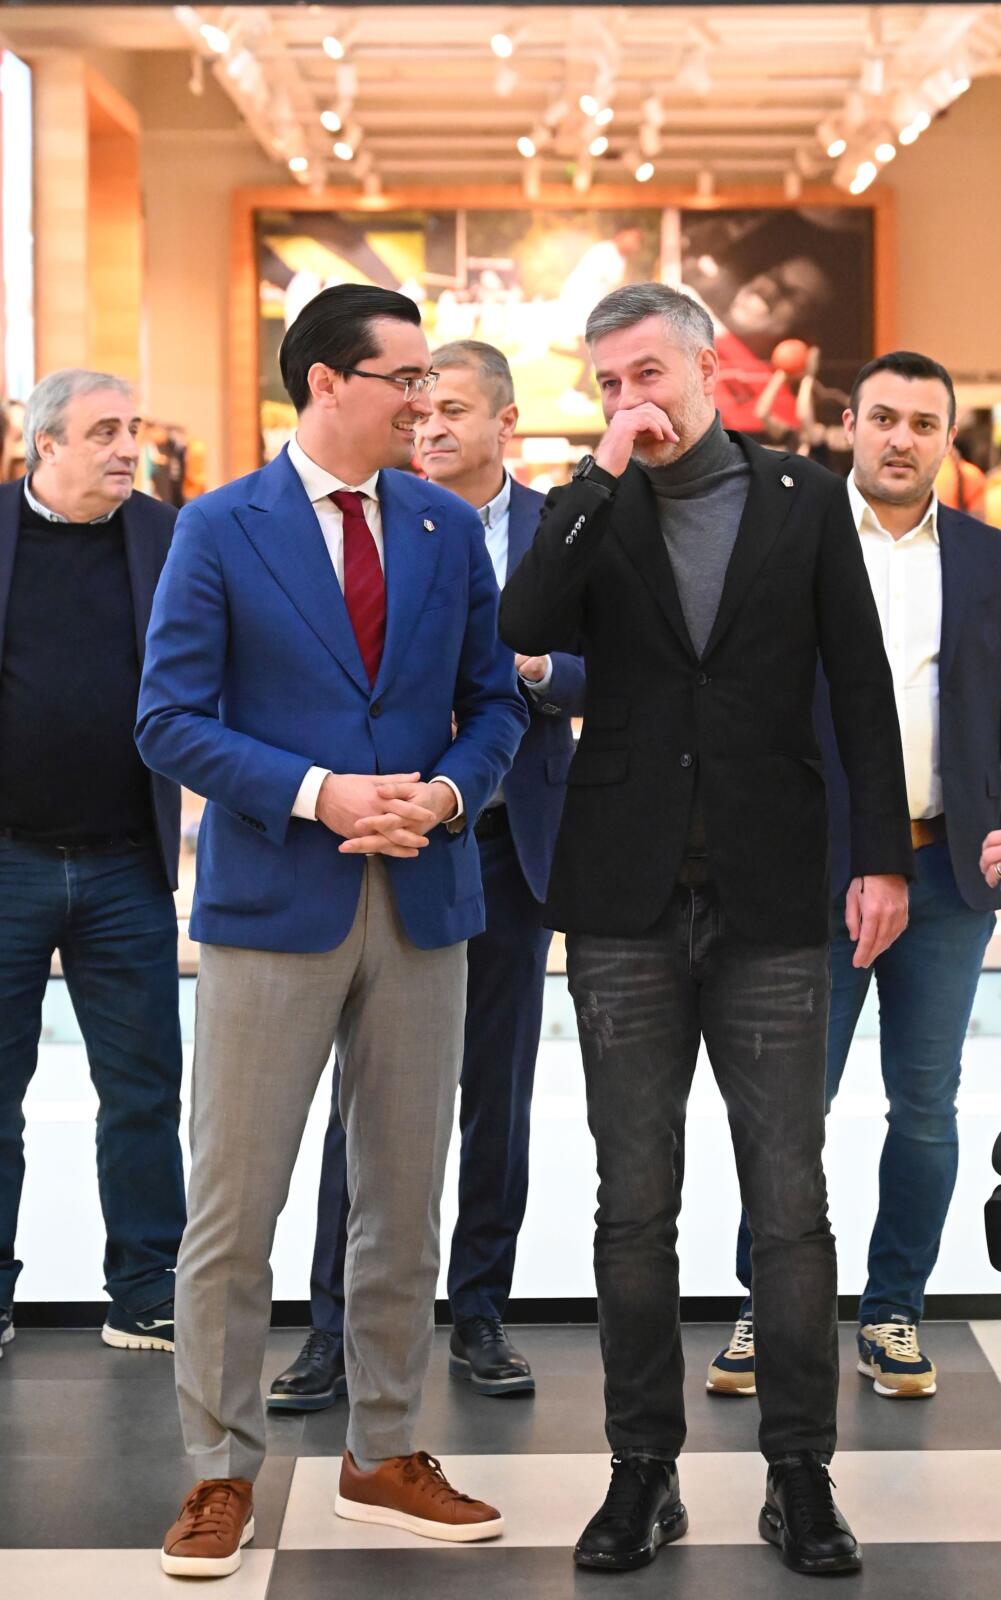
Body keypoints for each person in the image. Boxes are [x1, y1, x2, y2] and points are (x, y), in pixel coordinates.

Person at [500, 283, 913, 1577]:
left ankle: (799, 1474)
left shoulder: (802, 499)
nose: (630, 399)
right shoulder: (590, 503)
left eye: (646, 374)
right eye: (607, 382)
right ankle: (641, 1471)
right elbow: (525, 626)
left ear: (705, 372)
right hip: (622, 897)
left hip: (769, 893)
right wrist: (596, 477)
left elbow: (858, 681)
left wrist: (882, 858)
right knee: (633, 1205)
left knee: (788, 1202)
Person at [137, 285, 528, 1578]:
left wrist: (447, 792)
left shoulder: (443, 526)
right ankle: (217, 1472)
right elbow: (168, 719)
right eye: (403, 379)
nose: (425, 401)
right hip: (271, 905)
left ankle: (385, 1452)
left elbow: (494, 703)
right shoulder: (218, 526)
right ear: (324, 382)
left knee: (403, 1204)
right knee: (233, 1206)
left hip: (422, 900)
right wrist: (319, 792)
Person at [266, 340, 584, 1414]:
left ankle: (479, 1312)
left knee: (497, 1091)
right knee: (363, 1097)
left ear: (505, 422)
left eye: (452, 407)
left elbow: (617, 662)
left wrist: (528, 667)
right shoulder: (371, 519)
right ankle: (331, 1327)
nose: (430, 422)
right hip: (381, 837)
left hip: (506, 840)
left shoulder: (560, 530)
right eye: (419, 402)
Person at [714, 352, 1001, 1403]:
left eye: (922, 424)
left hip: (946, 872)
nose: (899, 439)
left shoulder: (985, 558)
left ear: (946, 439)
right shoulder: (785, 540)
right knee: (789, 1107)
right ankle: (769, 1304)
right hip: (809, 873)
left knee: (924, 1103)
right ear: (847, 423)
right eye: (882, 417)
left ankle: (893, 1312)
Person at [0, 369, 184, 1361]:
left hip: (125, 865)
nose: (127, 447)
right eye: (104, 431)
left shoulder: (167, 535)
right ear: (48, 445)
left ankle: (147, 1292)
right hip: (7, 861)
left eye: (132, 429)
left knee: (145, 1093)